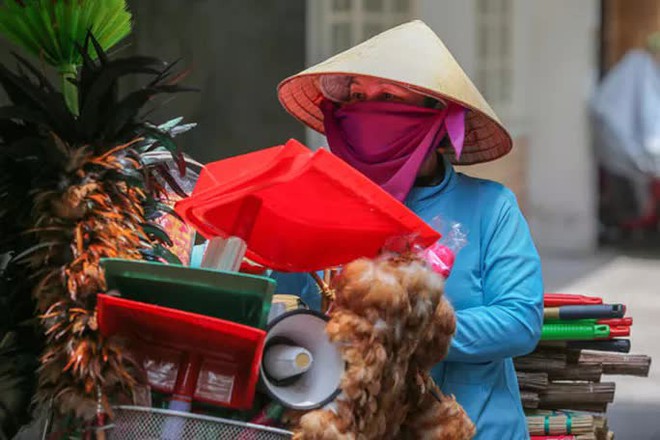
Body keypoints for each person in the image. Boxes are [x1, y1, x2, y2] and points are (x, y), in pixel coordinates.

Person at [273, 20, 543, 439]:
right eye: (358, 95)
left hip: (477, 427)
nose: (367, 107)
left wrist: (396, 331)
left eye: (387, 97)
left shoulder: (491, 206)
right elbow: (281, 309)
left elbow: (518, 322)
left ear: (434, 116)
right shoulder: (318, 203)